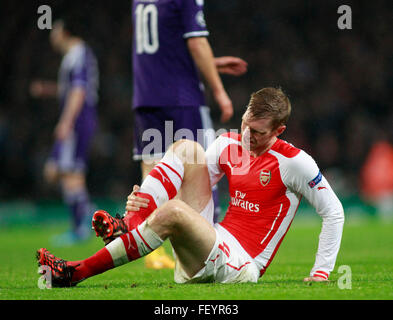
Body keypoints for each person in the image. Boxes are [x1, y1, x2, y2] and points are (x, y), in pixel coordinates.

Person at [37, 87, 344, 286]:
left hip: (241, 265)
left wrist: (321, 272)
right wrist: (144, 200)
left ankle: (75, 272)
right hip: (209, 245)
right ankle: (129, 222)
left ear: (279, 130)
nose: (248, 136)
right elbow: (184, 183)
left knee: (173, 211)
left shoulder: (294, 162)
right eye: (245, 125)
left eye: (259, 133)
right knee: (187, 148)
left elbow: (333, 212)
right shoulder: (229, 145)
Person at [131, 0, 248, 268]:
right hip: (180, 97)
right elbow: (196, 43)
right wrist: (219, 90)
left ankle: (151, 251)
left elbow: (163, 49)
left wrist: (211, 63)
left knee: (152, 172)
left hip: (145, 95)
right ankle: (206, 251)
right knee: (199, 168)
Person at [30, 18, 98, 246]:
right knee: (65, 172)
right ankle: (88, 217)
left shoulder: (77, 53)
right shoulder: (76, 55)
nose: (52, 35)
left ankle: (82, 227)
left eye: (55, 30)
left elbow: (79, 91)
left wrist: (66, 122)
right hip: (80, 119)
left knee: (68, 173)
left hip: (78, 121)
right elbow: (71, 89)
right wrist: (49, 90)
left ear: (66, 32)